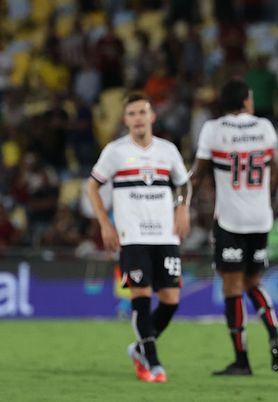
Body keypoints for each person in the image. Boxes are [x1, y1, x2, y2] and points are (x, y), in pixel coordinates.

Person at [87, 93, 190, 383]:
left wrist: (182, 209)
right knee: (141, 296)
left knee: (171, 301)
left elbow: (183, 183)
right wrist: (105, 224)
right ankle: (154, 363)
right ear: (125, 120)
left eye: (142, 112)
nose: (137, 118)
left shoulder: (168, 150)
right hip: (132, 236)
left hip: (166, 234)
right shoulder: (115, 151)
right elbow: (92, 187)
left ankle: (140, 348)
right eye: (131, 114)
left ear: (152, 116)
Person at [191, 79, 278, 375]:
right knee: (253, 283)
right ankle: (274, 336)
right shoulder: (265, 128)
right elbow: (274, 172)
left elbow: (199, 173)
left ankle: (242, 359)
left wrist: (182, 199)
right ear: (246, 101)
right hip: (260, 218)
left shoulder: (213, 129)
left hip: (230, 220)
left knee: (232, 287)